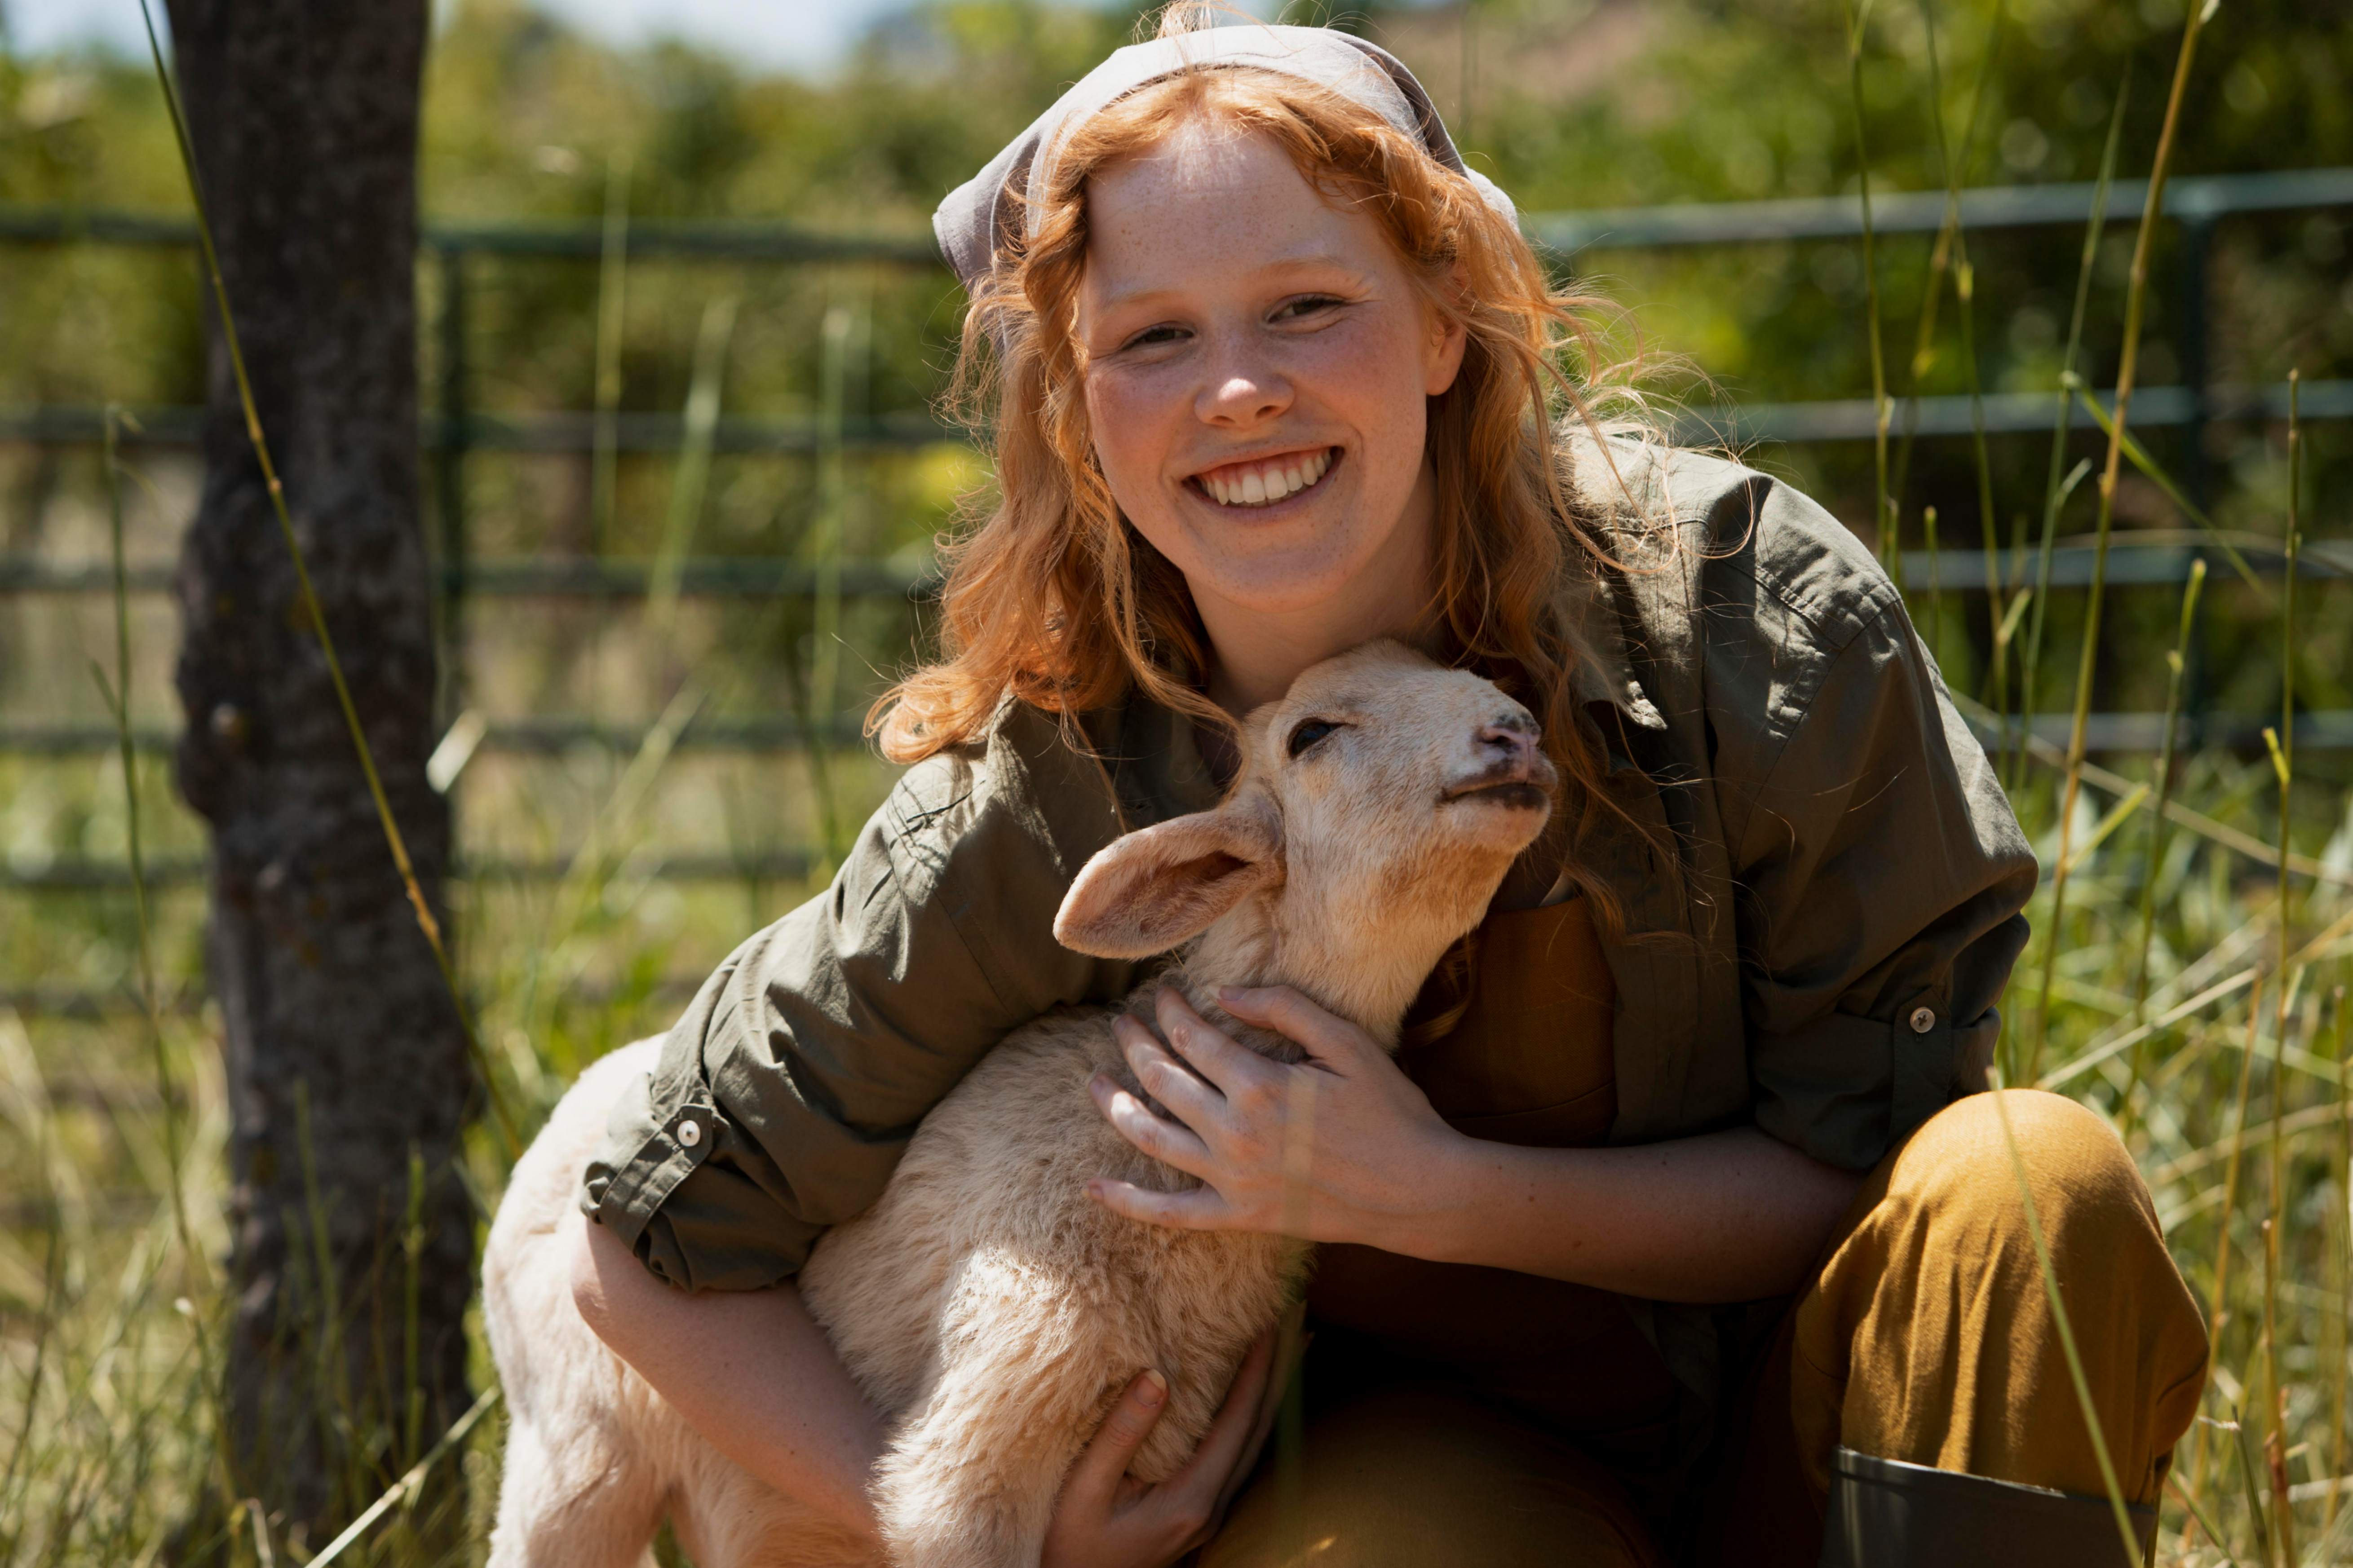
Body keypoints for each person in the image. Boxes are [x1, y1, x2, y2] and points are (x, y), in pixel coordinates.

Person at [566, 13, 2208, 1565]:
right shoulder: (1053, 792)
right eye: (1151, 337)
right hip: (1435, 1484)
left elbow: (1886, 1168)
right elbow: (645, 1245)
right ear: (1076, 411)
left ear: (1444, 319)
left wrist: (1439, 1192)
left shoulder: (1746, 624)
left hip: (1821, 1425)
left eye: (1305, 306)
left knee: (2032, 1186)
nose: (1239, 390)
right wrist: (962, 1521)